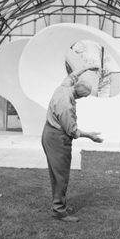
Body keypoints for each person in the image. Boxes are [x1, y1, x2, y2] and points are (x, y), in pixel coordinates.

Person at [41, 66, 104, 223]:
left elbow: (72, 75)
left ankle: (59, 204)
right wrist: (90, 135)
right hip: (57, 139)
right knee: (61, 176)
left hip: (50, 134)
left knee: (57, 174)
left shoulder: (64, 87)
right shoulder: (66, 106)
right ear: (80, 96)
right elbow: (72, 130)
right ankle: (59, 211)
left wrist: (88, 68)